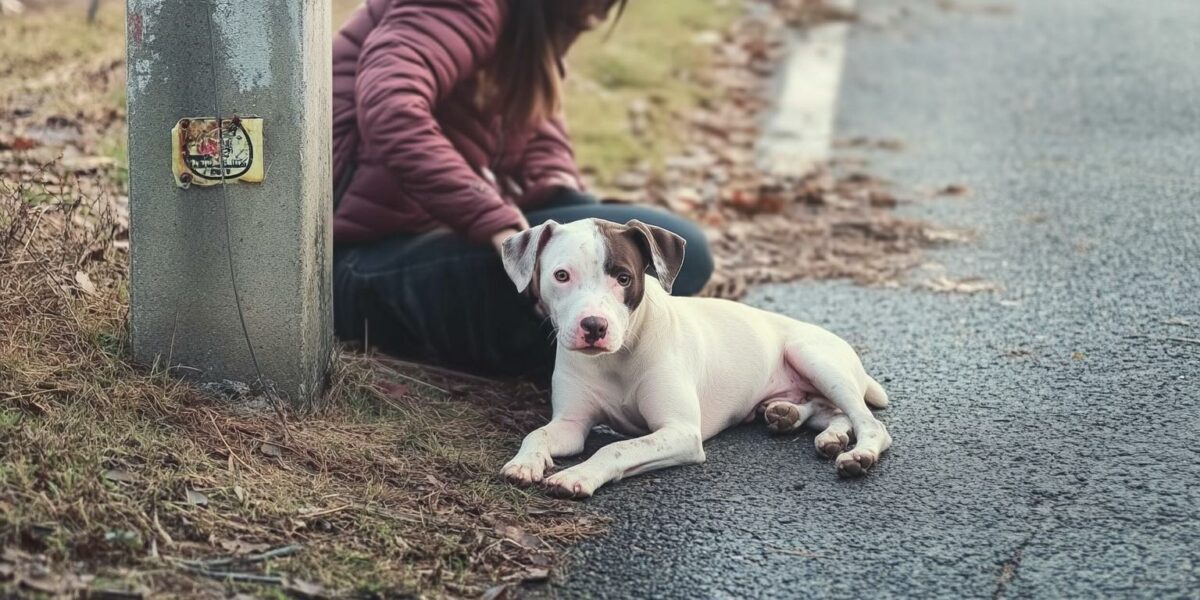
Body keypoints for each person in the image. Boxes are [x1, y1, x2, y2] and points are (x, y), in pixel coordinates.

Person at [331, 0, 714, 376]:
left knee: (641, 256)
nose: (598, 15)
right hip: (357, 264)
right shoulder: (462, 5)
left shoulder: (525, 26)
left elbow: (539, 141)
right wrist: (494, 222)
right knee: (683, 255)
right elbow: (391, 107)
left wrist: (579, 214)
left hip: (428, 235)